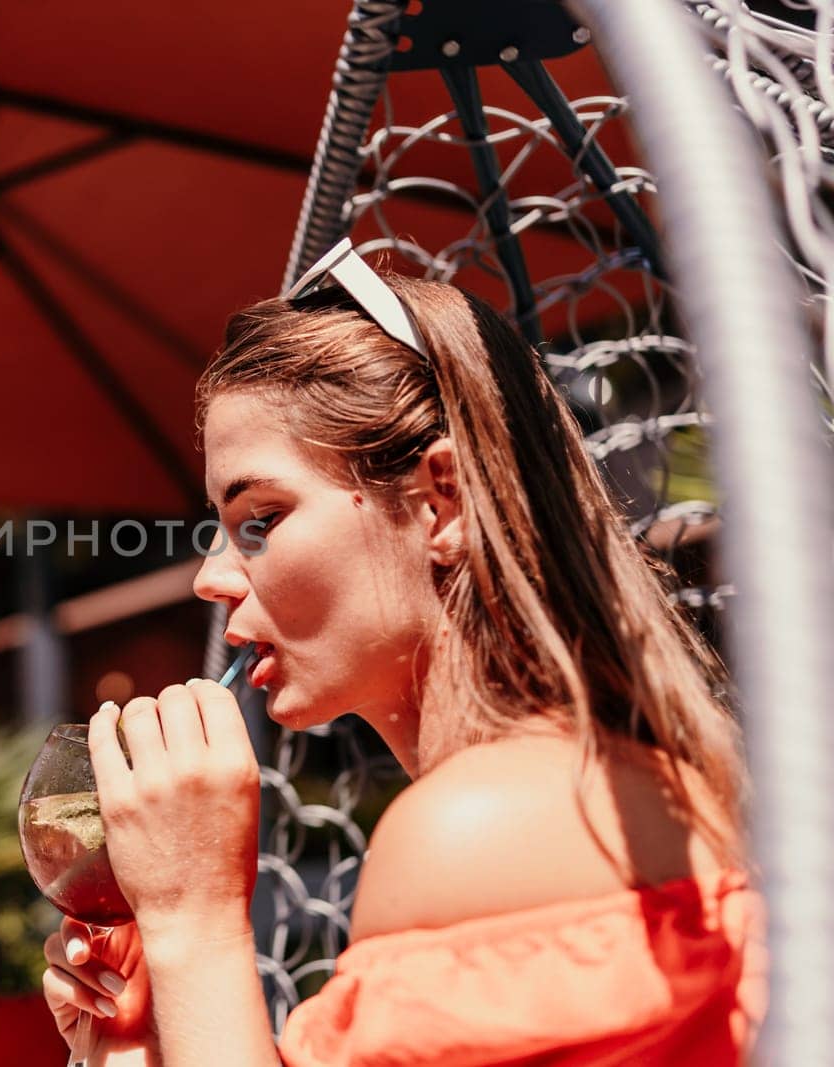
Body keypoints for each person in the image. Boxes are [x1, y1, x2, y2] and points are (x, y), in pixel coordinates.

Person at [39, 246, 765, 1066]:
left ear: (440, 500)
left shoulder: (479, 826)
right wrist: (146, 1041)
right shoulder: (601, 789)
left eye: (261, 518)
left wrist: (191, 923)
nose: (211, 576)